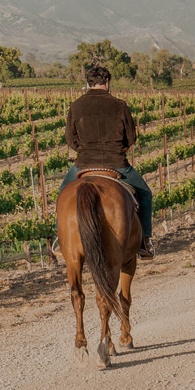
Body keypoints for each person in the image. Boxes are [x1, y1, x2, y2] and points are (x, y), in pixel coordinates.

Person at [60, 62, 154, 259]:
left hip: (84, 162)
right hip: (116, 163)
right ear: (107, 82)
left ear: (88, 83)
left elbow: (70, 138)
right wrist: (120, 149)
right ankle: (145, 241)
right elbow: (131, 137)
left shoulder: (76, 105)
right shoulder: (120, 105)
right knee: (145, 194)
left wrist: (84, 150)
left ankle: (60, 241)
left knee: (62, 196)